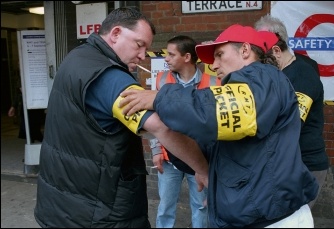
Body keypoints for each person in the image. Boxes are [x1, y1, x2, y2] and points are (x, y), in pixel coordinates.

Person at [119, 24, 319, 227]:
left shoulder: (263, 76)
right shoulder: (249, 89)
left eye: (220, 55)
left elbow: (216, 113)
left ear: (245, 50)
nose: (213, 66)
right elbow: (213, 144)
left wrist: (160, 98)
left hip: (273, 221)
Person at [34, 7, 209, 228]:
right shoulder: (110, 77)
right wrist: (202, 169)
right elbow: (161, 128)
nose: (143, 55)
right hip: (101, 211)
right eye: (139, 44)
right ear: (115, 33)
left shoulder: (76, 57)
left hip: (61, 205)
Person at [254, 15, 329, 209]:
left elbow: (290, 122)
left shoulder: (302, 73)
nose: (260, 59)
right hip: (287, 164)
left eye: (263, 52)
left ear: (277, 50)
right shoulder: (279, 73)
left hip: (305, 165)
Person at [150, 35, 219, 228]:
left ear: (187, 57)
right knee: (165, 207)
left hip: (199, 159)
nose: (166, 59)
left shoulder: (214, 83)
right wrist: (156, 151)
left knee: (201, 207)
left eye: (171, 54)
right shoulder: (162, 79)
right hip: (169, 158)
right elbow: (153, 118)